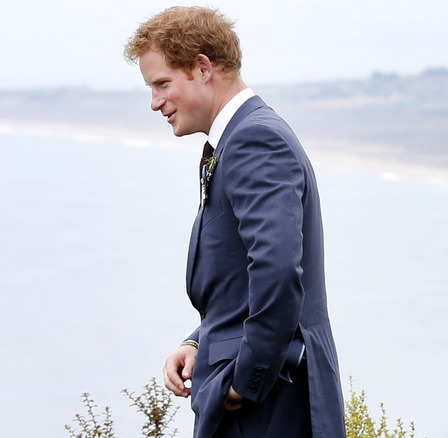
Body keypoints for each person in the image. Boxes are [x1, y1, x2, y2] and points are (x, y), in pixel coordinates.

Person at [124, 7, 345, 438]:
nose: (154, 103)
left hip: (269, 406)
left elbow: (279, 272)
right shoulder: (238, 138)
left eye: (162, 84)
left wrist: (247, 380)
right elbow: (241, 280)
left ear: (202, 68)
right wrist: (199, 341)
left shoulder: (253, 140)